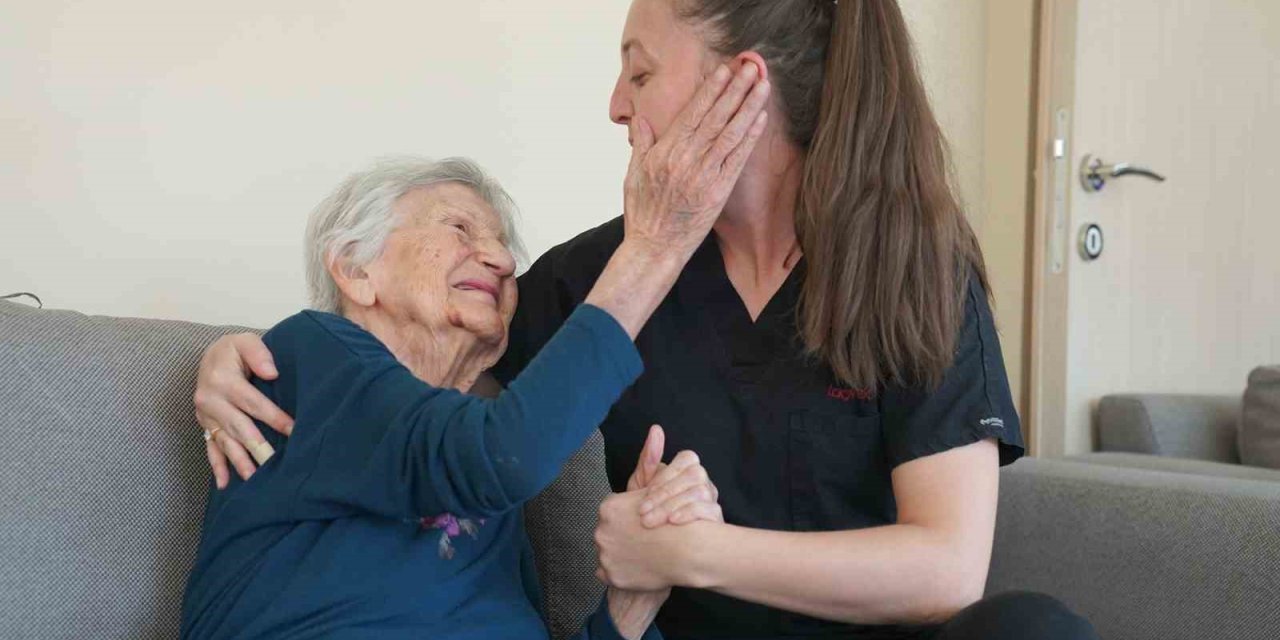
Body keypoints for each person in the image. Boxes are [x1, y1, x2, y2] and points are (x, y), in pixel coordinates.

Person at [192, 1, 1100, 639]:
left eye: (639, 72)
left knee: (1036, 629)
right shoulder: (595, 279)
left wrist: (689, 555)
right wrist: (233, 358)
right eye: (461, 231)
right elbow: (478, 424)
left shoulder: (914, 266)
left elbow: (945, 571)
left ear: (739, 86)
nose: (617, 106)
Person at [181, 61, 771, 640]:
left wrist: (633, 602)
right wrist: (655, 246)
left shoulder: (476, 447)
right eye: (459, 229)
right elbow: (504, 455)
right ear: (356, 270)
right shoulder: (311, 353)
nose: (503, 260)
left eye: (501, 244)